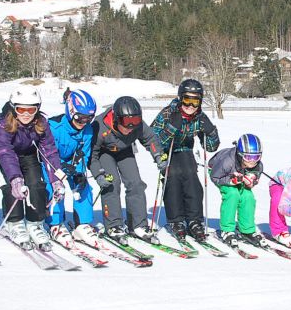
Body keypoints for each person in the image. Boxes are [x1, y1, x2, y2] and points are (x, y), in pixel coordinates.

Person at [0, 86, 65, 249]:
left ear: (37, 109)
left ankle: (35, 223)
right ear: (13, 108)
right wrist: (15, 178)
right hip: (8, 157)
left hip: (29, 155)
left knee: (36, 185)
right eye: (21, 109)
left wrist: (56, 180)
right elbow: (4, 150)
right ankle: (15, 223)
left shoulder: (41, 123)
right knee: (15, 188)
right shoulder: (5, 123)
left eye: (31, 110)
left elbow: (50, 151)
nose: (26, 114)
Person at [150, 78, 220, 241]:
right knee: (173, 176)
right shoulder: (168, 113)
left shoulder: (199, 117)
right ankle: (176, 220)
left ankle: (194, 220)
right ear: (181, 98)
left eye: (195, 101)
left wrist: (210, 131)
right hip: (168, 151)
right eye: (187, 100)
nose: (191, 106)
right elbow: (153, 141)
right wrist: (171, 128)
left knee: (191, 178)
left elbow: (210, 147)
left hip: (186, 150)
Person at [89, 96, 166, 242]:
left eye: (135, 122)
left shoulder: (137, 125)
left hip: (125, 151)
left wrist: (158, 155)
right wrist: (98, 174)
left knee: (135, 183)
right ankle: (114, 225)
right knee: (112, 183)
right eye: (126, 123)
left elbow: (150, 139)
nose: (130, 127)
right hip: (105, 153)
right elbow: (92, 155)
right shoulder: (99, 126)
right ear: (117, 119)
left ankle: (138, 225)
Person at [45, 89, 99, 248]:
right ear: (70, 112)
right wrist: (59, 168)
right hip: (52, 163)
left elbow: (84, 152)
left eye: (88, 118)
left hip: (72, 164)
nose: (83, 122)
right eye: (79, 117)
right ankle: (55, 224)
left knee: (83, 186)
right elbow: (46, 153)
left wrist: (79, 172)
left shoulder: (87, 130)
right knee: (56, 188)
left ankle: (82, 223)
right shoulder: (54, 127)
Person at [208, 134, 265, 246]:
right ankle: (227, 229)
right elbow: (215, 177)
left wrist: (252, 181)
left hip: (239, 176)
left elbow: (256, 178)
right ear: (240, 154)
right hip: (220, 174)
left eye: (256, 157)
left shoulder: (258, 165)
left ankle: (247, 229)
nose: (252, 162)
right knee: (232, 194)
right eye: (248, 157)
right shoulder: (227, 161)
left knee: (248, 196)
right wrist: (230, 181)